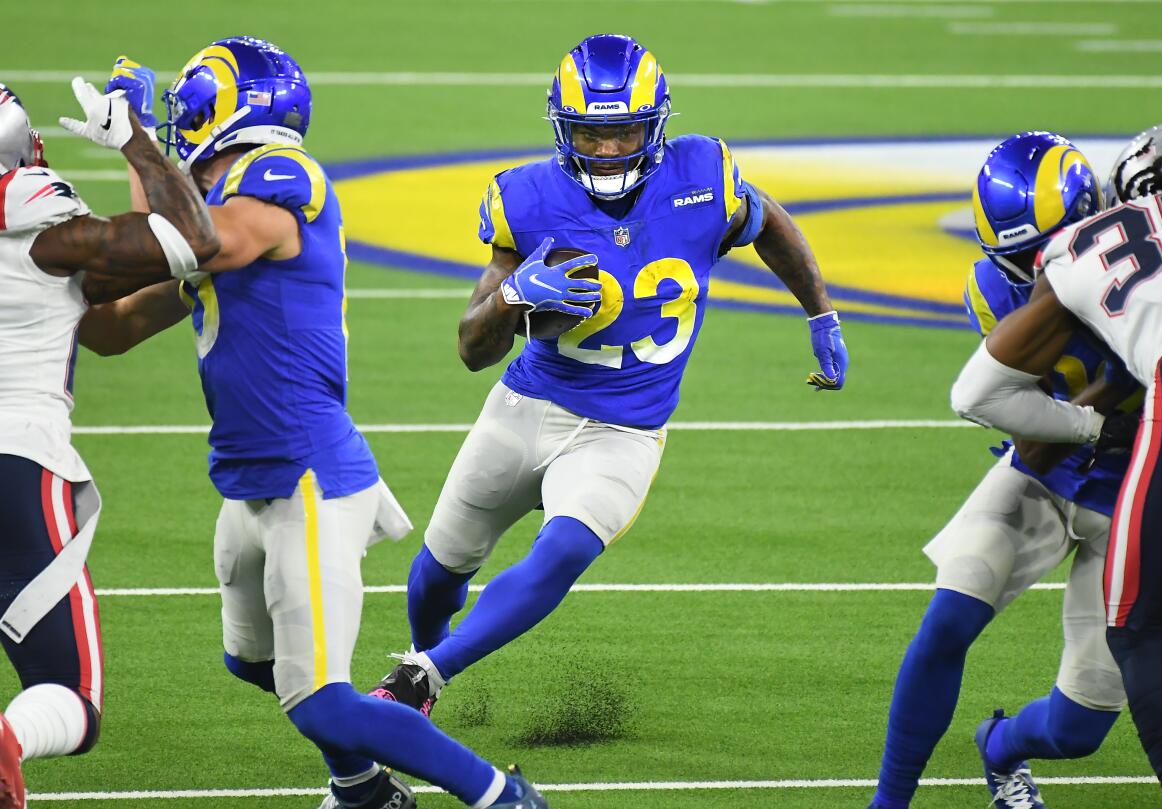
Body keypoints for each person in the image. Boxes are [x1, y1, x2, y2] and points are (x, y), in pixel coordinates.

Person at [85, 42, 547, 809]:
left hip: (308, 473)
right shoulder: (217, 217)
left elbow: (199, 241)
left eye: (189, 116)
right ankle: (363, 784)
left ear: (234, 115)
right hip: (250, 481)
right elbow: (115, 324)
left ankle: (502, 796)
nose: (180, 130)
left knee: (322, 700)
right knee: (252, 660)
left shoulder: (276, 175)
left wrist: (136, 143)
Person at [370, 33, 847, 718]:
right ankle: (423, 665)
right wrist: (509, 296)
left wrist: (820, 313)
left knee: (561, 548)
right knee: (437, 572)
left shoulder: (703, 176)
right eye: (590, 135)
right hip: (528, 406)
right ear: (564, 131)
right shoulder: (526, 198)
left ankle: (422, 678)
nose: (606, 150)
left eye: (623, 132)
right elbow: (473, 350)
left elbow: (767, 222)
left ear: (653, 126)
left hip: (625, 429)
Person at [868, 132, 1142, 809]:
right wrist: (1119, 383)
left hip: (1139, 490)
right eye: (1020, 256)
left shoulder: (1155, 273)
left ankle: (1000, 746)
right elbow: (1039, 438)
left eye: (1044, 248)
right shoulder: (996, 288)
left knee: (1079, 728)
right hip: (1046, 472)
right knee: (947, 622)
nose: (1036, 268)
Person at [950, 123, 1162, 809]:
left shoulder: (1087, 245)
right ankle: (1001, 748)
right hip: (1105, 463)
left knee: (1141, 635)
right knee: (1099, 683)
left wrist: (1094, 418)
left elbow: (973, 395)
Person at [0, 79, 219, 809]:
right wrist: (133, 137)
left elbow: (104, 327)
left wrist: (189, 295)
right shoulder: (37, 216)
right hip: (17, 461)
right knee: (69, 692)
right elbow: (195, 238)